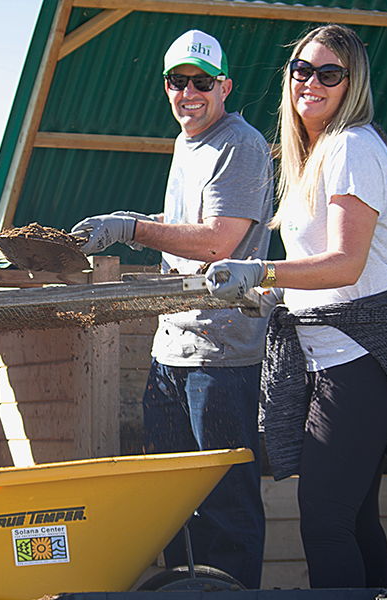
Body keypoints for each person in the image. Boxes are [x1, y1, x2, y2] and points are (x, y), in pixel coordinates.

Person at [205, 25, 387, 589]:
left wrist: (260, 270)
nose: (311, 82)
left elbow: (345, 265)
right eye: (301, 70)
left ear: (351, 83)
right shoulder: (315, 155)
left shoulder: (352, 147)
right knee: (355, 518)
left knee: (326, 521)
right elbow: (323, 273)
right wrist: (272, 293)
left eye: (329, 73)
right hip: (335, 355)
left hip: (364, 354)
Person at [70, 30, 272, 589]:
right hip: (171, 350)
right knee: (169, 501)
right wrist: (127, 223)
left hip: (223, 353)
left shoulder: (242, 144)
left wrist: (128, 228)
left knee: (223, 504)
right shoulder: (186, 145)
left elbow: (216, 243)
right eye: (177, 81)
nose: (189, 92)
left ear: (225, 86)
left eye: (202, 82)